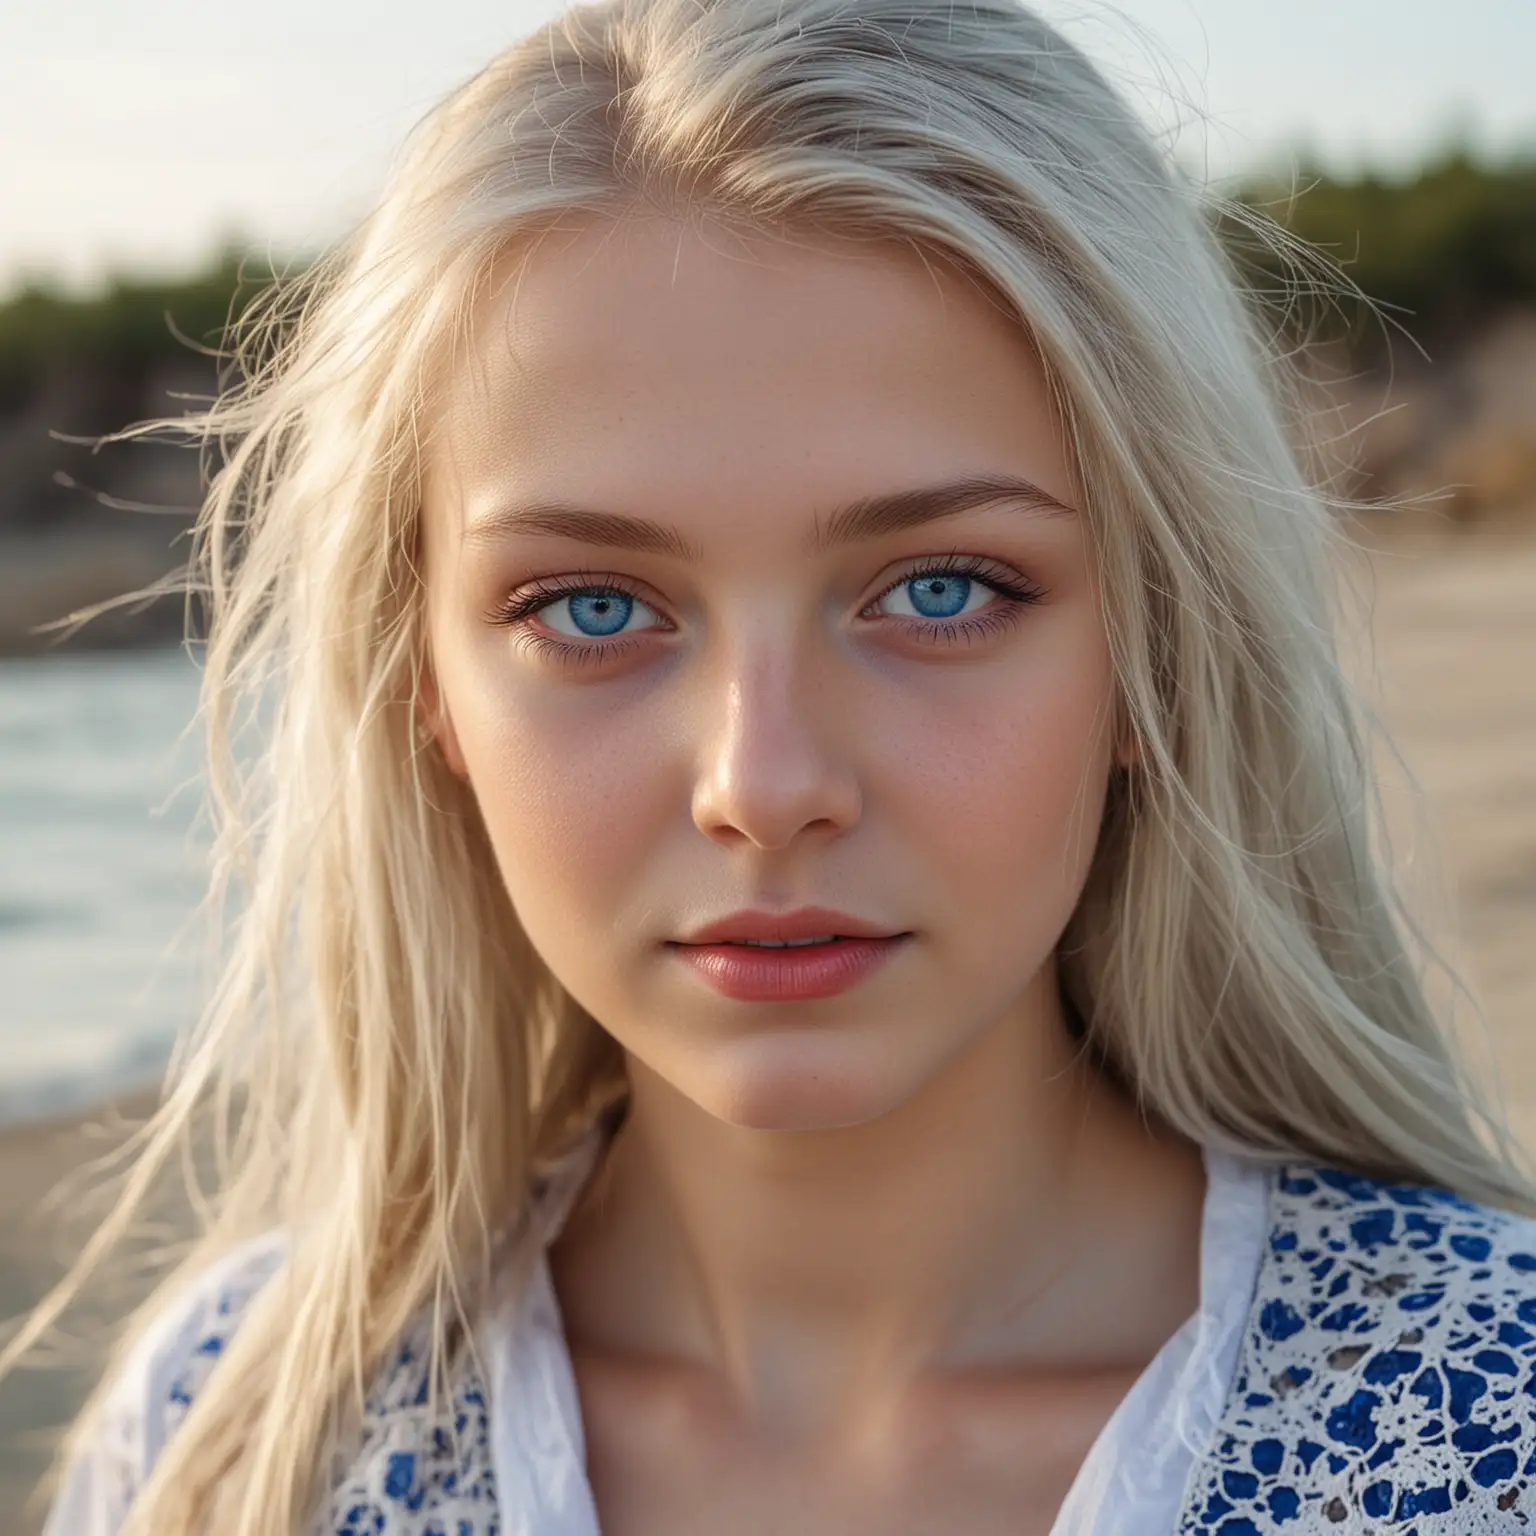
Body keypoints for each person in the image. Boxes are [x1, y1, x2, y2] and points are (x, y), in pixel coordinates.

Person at [8, 0, 1536, 1530]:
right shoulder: (231, 1444)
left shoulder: (1491, 1435)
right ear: (428, 692)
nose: (765, 780)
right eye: (591, 609)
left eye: (942, 589)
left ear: (1158, 647)